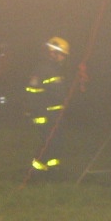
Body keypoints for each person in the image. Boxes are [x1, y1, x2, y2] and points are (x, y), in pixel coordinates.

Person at [25, 36, 71, 177]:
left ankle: (52, 169)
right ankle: (36, 170)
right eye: (61, 54)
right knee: (48, 143)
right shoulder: (42, 70)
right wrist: (38, 114)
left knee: (57, 142)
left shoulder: (55, 70)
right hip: (44, 115)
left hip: (55, 115)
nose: (63, 58)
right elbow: (33, 93)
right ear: (52, 52)